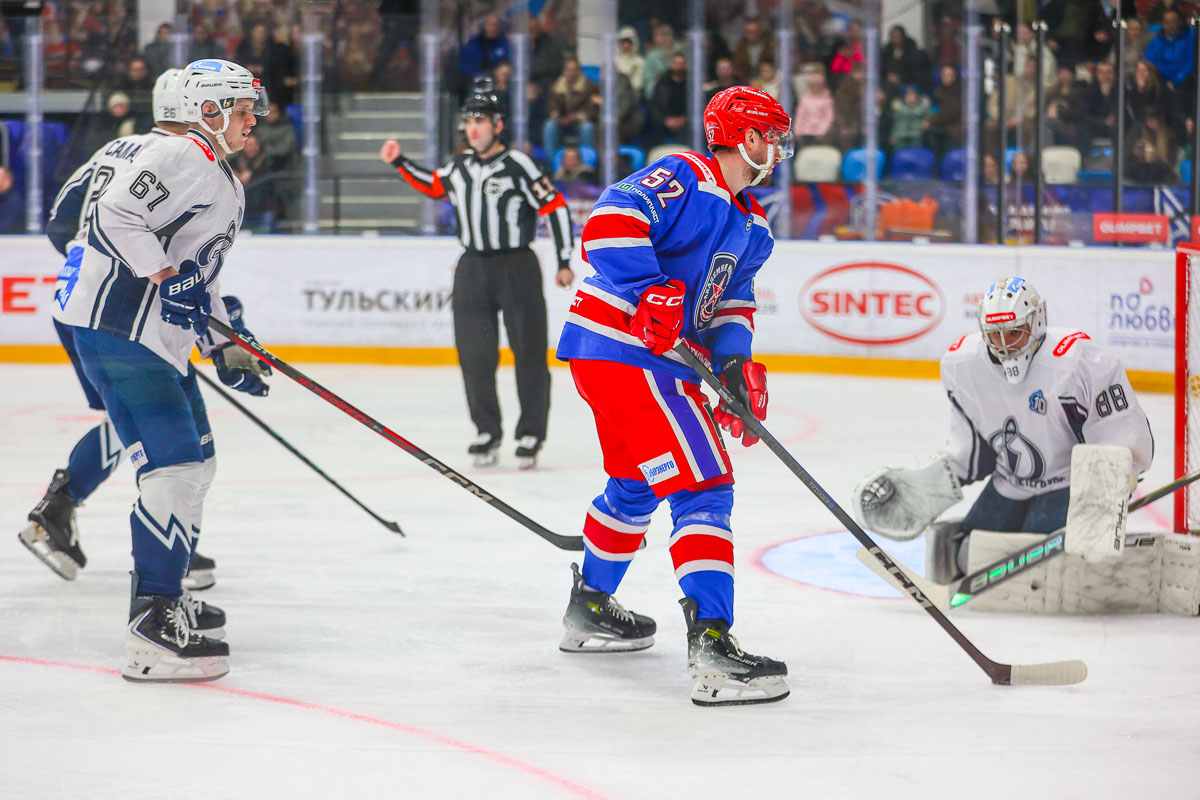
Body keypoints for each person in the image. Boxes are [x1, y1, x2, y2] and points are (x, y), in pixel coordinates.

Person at [554, 86, 794, 707]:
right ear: (744, 136)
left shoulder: (754, 225)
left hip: (620, 360)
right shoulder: (686, 174)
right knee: (703, 486)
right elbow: (607, 223)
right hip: (630, 352)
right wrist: (651, 288)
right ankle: (712, 644)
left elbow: (730, 305)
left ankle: (590, 607)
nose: (778, 148)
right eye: (771, 135)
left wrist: (735, 364)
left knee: (637, 484)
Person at [51, 58, 271, 682]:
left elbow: (201, 276)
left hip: (156, 339)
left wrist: (226, 341)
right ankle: (152, 625)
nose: (252, 120)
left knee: (197, 464)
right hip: (119, 329)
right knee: (173, 466)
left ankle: (169, 595)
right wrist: (165, 276)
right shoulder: (181, 155)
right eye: (241, 110)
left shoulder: (219, 174)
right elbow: (112, 215)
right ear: (208, 112)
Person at [21, 69, 221, 593]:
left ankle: (61, 509)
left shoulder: (114, 149)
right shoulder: (181, 162)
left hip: (76, 305)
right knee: (152, 423)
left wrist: (92, 270)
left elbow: (61, 224)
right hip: (124, 316)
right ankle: (156, 543)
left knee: (125, 413)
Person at [853, 277, 1153, 585]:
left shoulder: (1078, 361)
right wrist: (930, 486)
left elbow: (1118, 432)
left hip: (1068, 482)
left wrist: (1111, 484)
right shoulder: (962, 365)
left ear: (1037, 322)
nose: (1005, 345)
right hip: (1010, 482)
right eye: (995, 335)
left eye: (1014, 332)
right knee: (966, 557)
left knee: (1044, 568)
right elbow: (972, 448)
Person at [379, 85, 574, 468]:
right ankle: (486, 430)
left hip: (516, 266)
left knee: (529, 353)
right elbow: (434, 184)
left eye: (481, 120)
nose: (472, 128)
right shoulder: (460, 166)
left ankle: (531, 432)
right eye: (469, 120)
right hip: (472, 268)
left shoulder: (519, 164)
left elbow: (555, 206)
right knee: (474, 355)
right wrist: (399, 161)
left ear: (498, 125)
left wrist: (564, 259)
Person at [543, 56, 598, 154]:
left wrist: (574, 117)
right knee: (549, 126)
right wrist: (558, 117)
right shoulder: (555, 86)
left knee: (587, 128)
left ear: (579, 71)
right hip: (561, 123)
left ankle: (586, 160)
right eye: (568, 70)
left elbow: (593, 110)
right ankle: (551, 161)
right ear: (564, 71)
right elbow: (552, 107)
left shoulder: (590, 86)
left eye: (574, 69)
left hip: (581, 122)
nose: (571, 73)